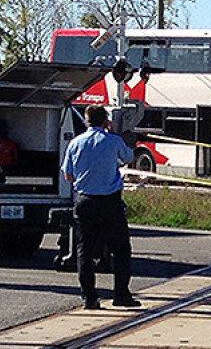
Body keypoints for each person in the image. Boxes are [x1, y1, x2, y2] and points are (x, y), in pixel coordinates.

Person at [61, 104, 139, 310]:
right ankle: (121, 293)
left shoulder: (76, 143)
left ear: (87, 120)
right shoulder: (113, 141)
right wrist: (113, 133)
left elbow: (67, 174)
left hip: (85, 200)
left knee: (84, 250)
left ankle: (89, 297)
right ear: (105, 121)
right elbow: (129, 157)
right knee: (121, 249)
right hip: (110, 201)